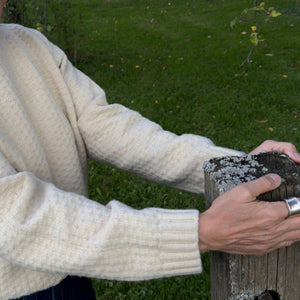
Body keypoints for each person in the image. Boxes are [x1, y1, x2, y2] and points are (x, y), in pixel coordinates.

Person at [1, 1, 300, 299]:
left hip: (72, 269)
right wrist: (200, 232)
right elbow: (16, 219)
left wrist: (235, 168)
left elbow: (110, 128)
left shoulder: (26, 43)